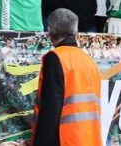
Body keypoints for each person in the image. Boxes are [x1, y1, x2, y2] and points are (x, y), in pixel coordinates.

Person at [30, 8, 102, 146]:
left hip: (66, 140)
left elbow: (50, 110)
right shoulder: (89, 61)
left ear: (49, 30)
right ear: (76, 30)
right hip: (89, 140)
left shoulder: (55, 58)